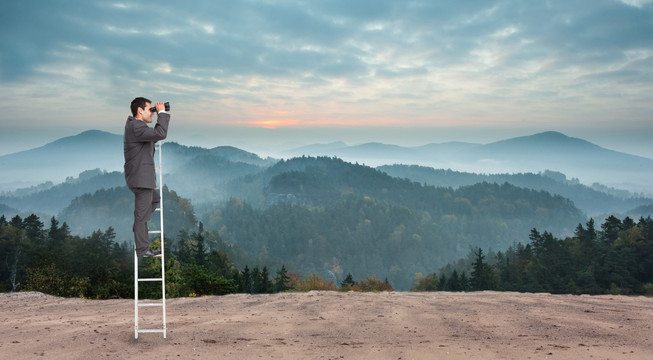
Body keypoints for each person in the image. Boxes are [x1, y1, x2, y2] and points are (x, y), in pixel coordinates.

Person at [123, 97, 170, 257]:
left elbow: (155, 135)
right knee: (141, 216)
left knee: (155, 200)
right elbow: (161, 133)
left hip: (140, 178)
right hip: (141, 180)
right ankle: (142, 249)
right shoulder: (136, 126)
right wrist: (162, 113)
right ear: (140, 110)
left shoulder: (136, 126)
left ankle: (139, 225)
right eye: (150, 109)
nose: (152, 112)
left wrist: (158, 115)